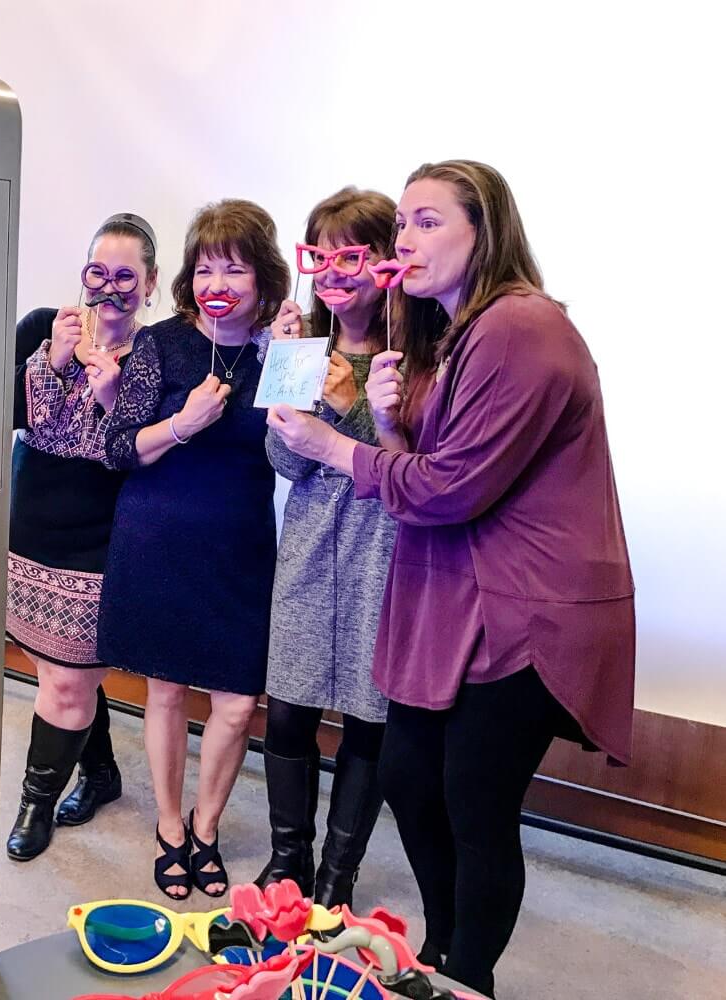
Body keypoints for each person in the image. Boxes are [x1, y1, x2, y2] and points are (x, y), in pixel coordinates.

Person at [265, 160, 634, 997]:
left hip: (516, 603)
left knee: (470, 801)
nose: (401, 242)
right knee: (403, 775)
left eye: (424, 223)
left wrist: (345, 439)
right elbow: (307, 456)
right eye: (401, 224)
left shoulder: (512, 327)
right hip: (440, 584)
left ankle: (465, 976)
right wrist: (378, 418)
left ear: (484, 230)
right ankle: (439, 956)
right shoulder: (429, 334)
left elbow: (449, 487)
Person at [99, 199, 288, 899]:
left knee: (237, 703)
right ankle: (171, 826)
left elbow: (298, 450)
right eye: (206, 268)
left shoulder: (278, 352)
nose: (218, 283)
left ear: (263, 278)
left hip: (239, 547)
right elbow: (118, 447)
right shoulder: (161, 344)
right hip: (159, 540)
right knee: (167, 691)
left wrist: (287, 361)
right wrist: (183, 422)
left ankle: (207, 827)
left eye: (234, 269)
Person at [255, 188, 401, 910]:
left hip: (385, 553)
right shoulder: (304, 345)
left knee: (369, 720)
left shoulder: (416, 355)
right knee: (287, 712)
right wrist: (290, 373)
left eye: (353, 256)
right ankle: (289, 858)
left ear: (386, 262)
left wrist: (348, 409)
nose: (336, 273)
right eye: (324, 256)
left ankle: (337, 875)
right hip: (310, 545)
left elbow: (411, 469)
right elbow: (284, 462)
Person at [5, 213, 160, 862]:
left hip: (101, 542)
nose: (110, 288)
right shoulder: (44, 327)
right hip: (30, 532)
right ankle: (100, 773)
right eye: (98, 272)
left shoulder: (156, 354)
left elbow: (142, 451)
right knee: (56, 676)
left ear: (150, 283)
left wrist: (112, 392)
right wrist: (51, 360)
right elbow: (3, 416)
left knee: (68, 684)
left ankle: (34, 805)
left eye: (126, 276)